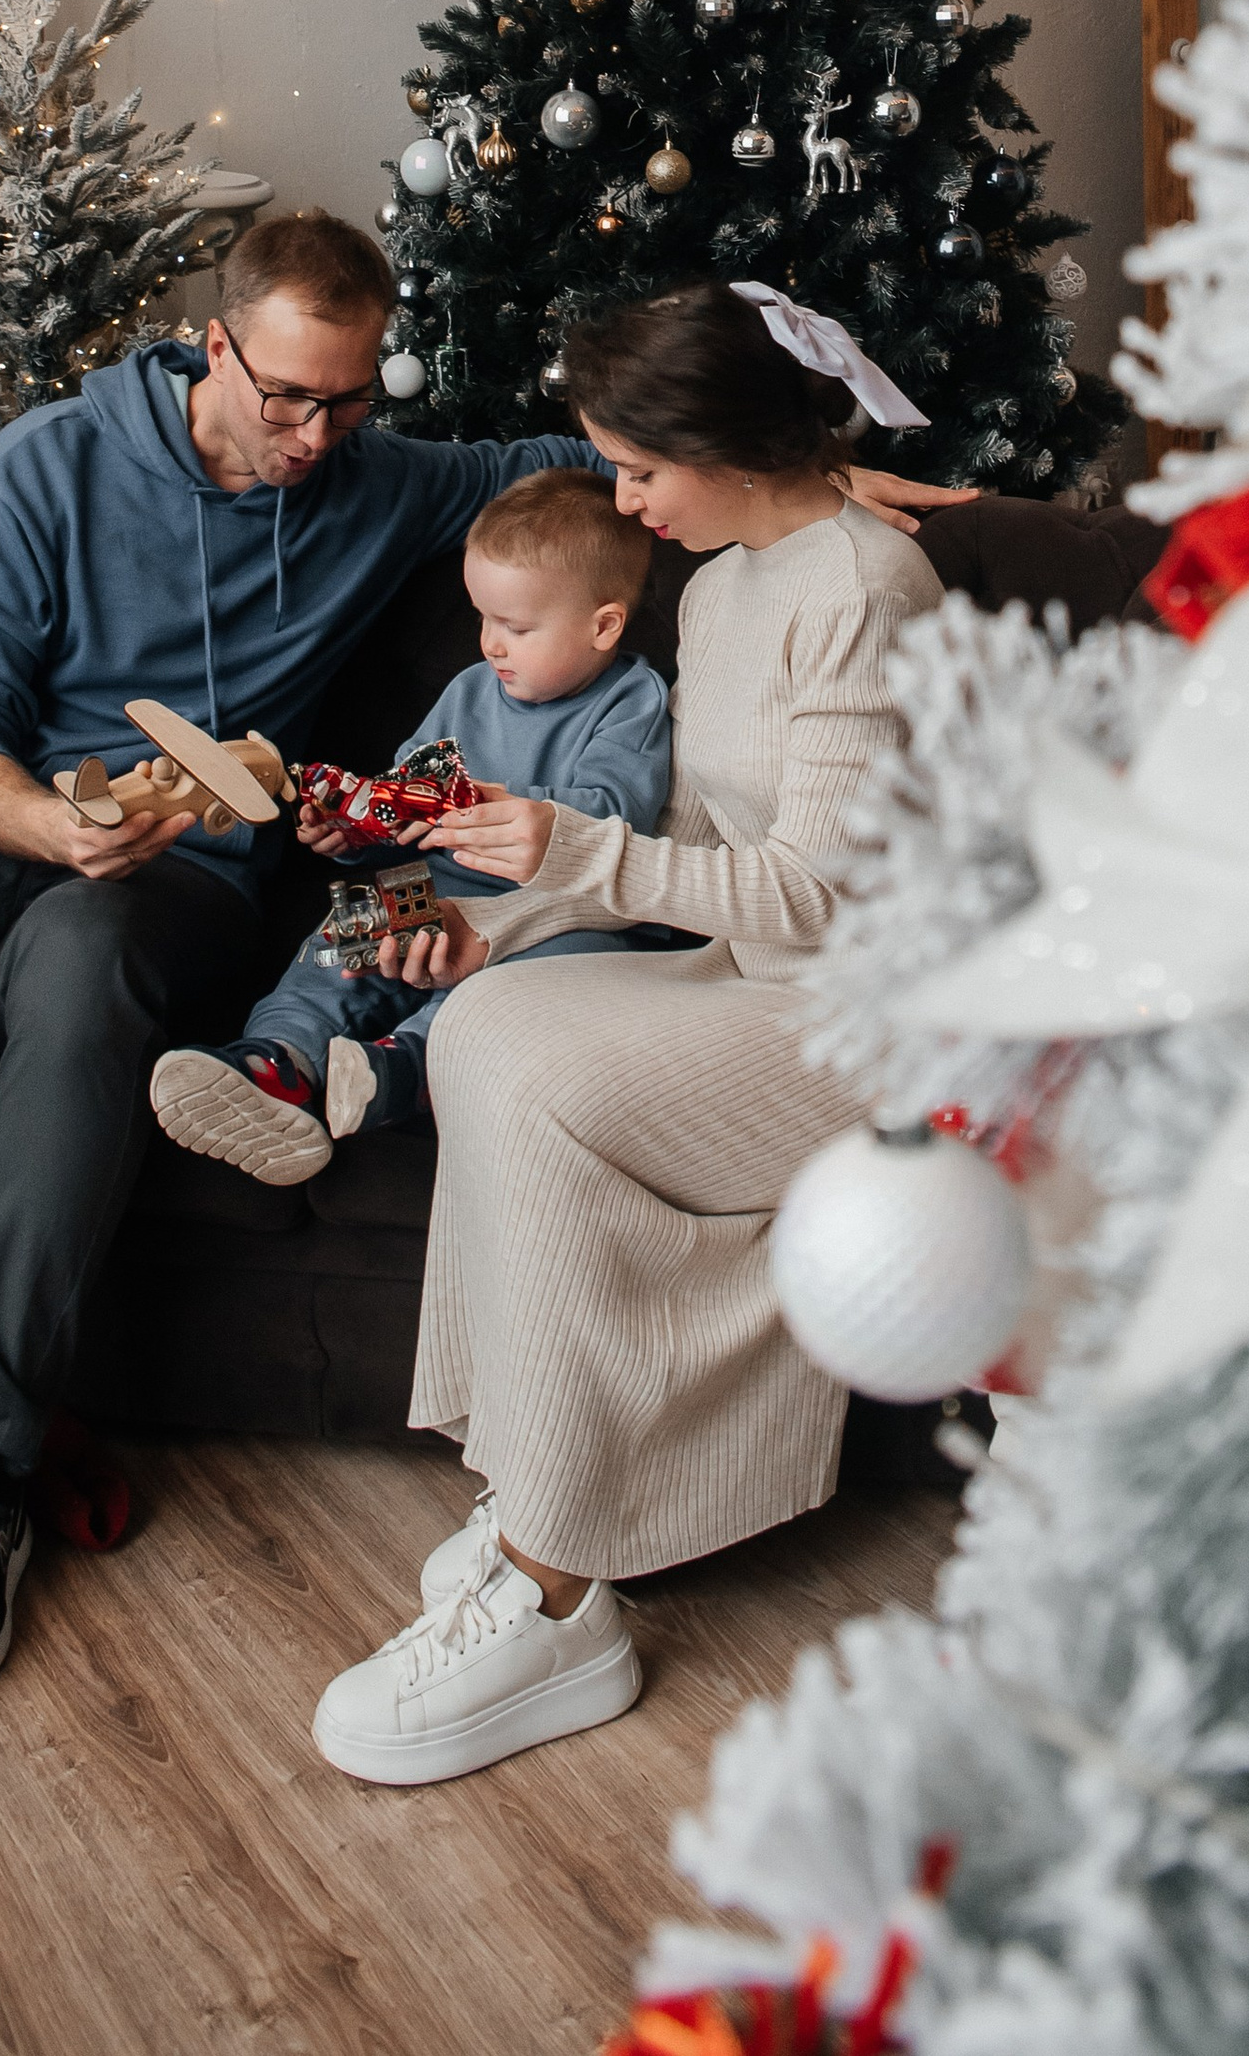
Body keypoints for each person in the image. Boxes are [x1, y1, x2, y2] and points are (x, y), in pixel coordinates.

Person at [0, 208, 601, 1765]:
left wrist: (791, 482)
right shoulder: (47, 467)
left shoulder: (374, 473)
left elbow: (579, 459)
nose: (313, 435)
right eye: (286, 394)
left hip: (178, 880)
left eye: (348, 399)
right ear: (214, 344)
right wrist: (39, 816)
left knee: (77, 975)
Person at [307, 278, 953, 1789]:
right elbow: (684, 853)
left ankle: (546, 1586)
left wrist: (566, 857)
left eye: (643, 467)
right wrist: (495, 924)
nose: (625, 497)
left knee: (536, 1079)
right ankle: (551, 1499)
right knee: (484, 1021)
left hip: (873, 1010)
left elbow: (811, 892)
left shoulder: (866, 587)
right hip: (758, 978)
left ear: (726, 447)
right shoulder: (723, 583)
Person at [148, 468, 671, 1176]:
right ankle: (278, 1064)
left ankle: (404, 1068)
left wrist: (472, 799)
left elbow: (614, 812)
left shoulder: (631, 699)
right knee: (346, 929)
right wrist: (354, 827)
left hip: (551, 909)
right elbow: (403, 797)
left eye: (516, 626)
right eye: (483, 618)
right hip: (437, 887)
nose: (490, 643)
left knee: (547, 967)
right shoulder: (469, 690)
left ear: (602, 624)